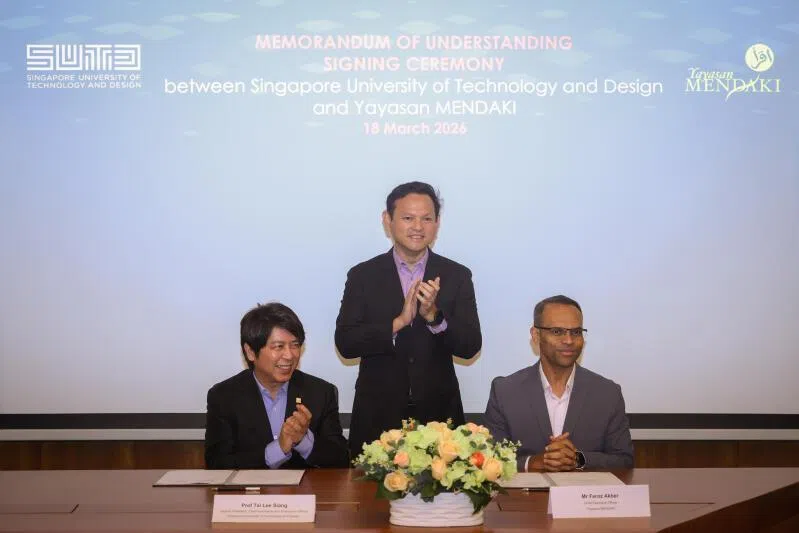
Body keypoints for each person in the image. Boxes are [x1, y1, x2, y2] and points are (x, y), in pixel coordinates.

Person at [335, 181, 482, 459]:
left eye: (426, 218)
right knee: (371, 502)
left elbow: (470, 345)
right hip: (377, 417)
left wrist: (434, 317)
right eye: (407, 218)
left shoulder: (457, 275)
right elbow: (345, 342)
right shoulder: (363, 276)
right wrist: (397, 323)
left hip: (440, 419)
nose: (418, 226)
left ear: (437, 223)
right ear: (387, 220)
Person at [483, 295, 634, 471]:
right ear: (536, 335)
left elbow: (624, 460)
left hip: (585, 497)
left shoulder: (607, 393)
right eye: (557, 332)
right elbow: (489, 459)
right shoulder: (505, 391)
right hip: (526, 498)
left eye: (576, 332)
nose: (569, 340)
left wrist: (578, 459)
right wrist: (532, 463)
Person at [205, 302, 349, 469]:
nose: (289, 355)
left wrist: (304, 441)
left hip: (305, 493)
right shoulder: (224, 396)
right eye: (278, 346)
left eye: (295, 345)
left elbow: (341, 459)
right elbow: (217, 463)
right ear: (251, 352)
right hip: (250, 494)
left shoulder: (320, 392)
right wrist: (277, 450)